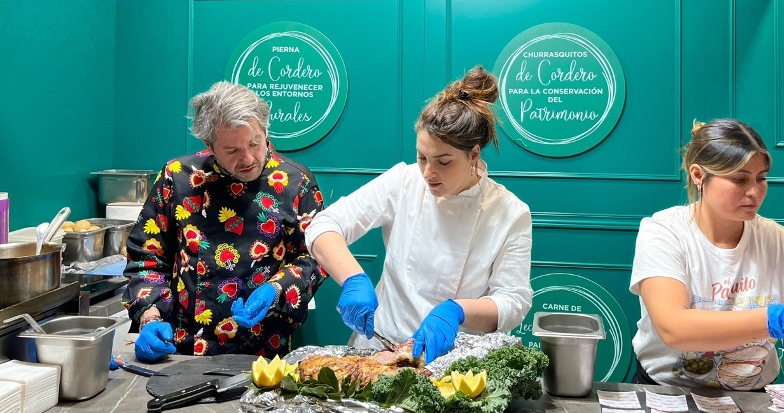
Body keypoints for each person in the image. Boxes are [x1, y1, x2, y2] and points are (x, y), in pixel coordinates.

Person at [628, 119, 784, 390]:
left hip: (754, 397)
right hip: (666, 392)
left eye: (761, 178)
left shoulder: (775, 239)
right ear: (698, 175)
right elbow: (674, 328)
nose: (755, 191)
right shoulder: (663, 232)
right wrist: (777, 319)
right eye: (739, 179)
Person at [304, 66, 532, 361]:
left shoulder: (509, 212)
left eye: (443, 161)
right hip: (379, 351)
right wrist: (353, 279)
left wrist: (458, 311)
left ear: (474, 154)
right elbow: (324, 224)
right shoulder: (404, 181)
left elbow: (514, 301)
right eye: (422, 156)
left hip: (452, 362)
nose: (428, 172)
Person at [123, 81, 327, 362]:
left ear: (265, 130)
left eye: (255, 143)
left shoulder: (296, 183)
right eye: (232, 150)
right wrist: (150, 316)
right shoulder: (178, 178)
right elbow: (146, 258)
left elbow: (316, 256)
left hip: (264, 351)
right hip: (181, 349)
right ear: (208, 145)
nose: (248, 158)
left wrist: (277, 287)